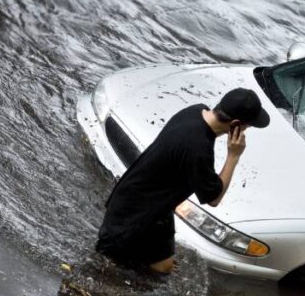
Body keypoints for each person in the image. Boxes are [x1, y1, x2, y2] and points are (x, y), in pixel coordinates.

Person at [95, 88, 270, 274]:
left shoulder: (194, 111)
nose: (245, 131)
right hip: (133, 218)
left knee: (163, 268)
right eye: (247, 126)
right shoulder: (198, 148)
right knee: (107, 271)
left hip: (152, 207)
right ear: (235, 124)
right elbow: (214, 198)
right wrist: (233, 156)